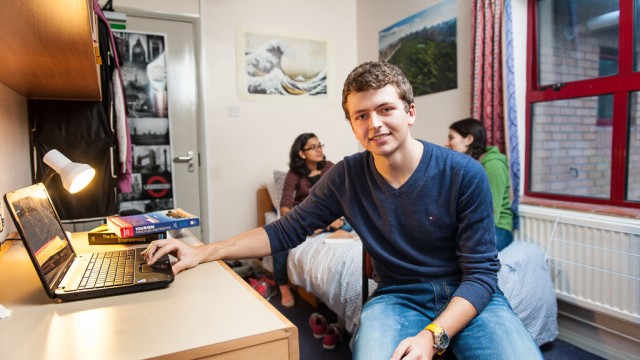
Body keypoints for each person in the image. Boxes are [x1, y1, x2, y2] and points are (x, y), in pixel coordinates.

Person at [144, 61, 541, 359]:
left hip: (469, 295)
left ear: (410, 112)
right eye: (361, 115)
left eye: (386, 109)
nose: (375, 124)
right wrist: (203, 251)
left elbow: (482, 274)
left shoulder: (464, 173)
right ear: (351, 125)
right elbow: (285, 231)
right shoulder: (346, 175)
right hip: (398, 295)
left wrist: (433, 336)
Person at [274, 132, 351, 307]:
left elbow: (343, 197)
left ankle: (321, 229)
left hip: (328, 218)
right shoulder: (295, 174)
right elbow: (285, 205)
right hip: (304, 217)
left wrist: (334, 218)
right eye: (313, 147)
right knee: (279, 242)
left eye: (320, 146)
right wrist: (297, 220)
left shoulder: (330, 167)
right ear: (302, 153)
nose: (318, 150)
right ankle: (283, 286)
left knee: (348, 225)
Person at [445, 118, 514, 251]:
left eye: (451, 138)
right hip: (474, 224)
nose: (446, 143)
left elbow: (491, 209)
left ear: (469, 139)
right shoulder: (468, 164)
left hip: (498, 228)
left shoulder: (494, 164)